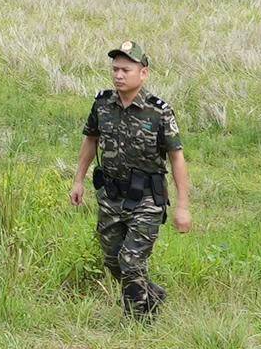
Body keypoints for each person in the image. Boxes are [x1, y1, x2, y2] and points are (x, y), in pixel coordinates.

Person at [68, 41, 192, 317]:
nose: (118, 75)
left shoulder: (159, 111)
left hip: (147, 197)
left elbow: (177, 158)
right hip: (111, 195)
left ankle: (138, 320)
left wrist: (183, 206)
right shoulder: (102, 104)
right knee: (113, 261)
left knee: (131, 261)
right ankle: (152, 295)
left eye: (125, 70)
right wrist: (78, 180)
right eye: (115, 70)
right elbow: (90, 140)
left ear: (143, 73)